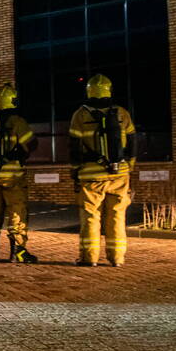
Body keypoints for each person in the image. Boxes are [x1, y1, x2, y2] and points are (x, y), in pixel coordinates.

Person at [69, 74, 137, 267]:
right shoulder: (121, 113)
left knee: (91, 216)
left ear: (89, 91)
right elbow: (132, 143)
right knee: (116, 215)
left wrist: (75, 170)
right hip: (119, 173)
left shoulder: (80, 115)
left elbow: (74, 147)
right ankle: (117, 258)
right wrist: (129, 166)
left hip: (90, 176)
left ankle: (89, 258)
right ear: (109, 90)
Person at [0, 82, 38, 263]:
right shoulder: (17, 122)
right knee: (17, 211)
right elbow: (32, 144)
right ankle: (18, 250)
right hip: (12, 176)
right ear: (12, 101)